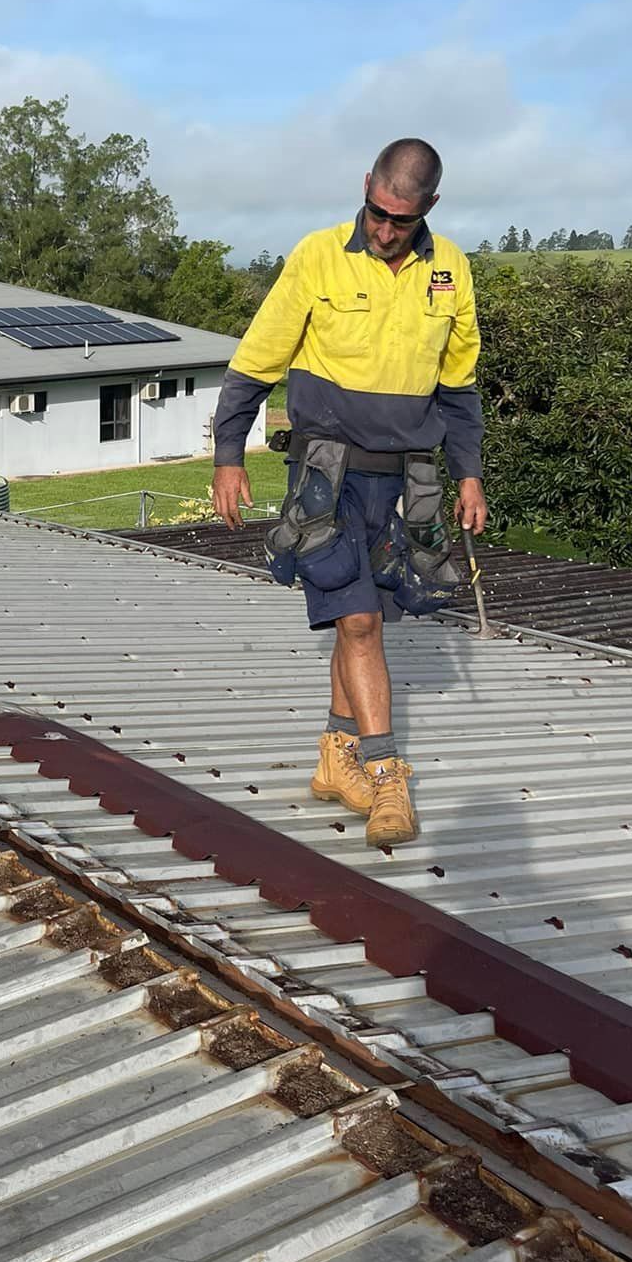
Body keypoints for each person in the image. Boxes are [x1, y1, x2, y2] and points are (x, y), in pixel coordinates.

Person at [210, 139, 486, 847]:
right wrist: (228, 455)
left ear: (428, 207)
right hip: (326, 476)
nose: (384, 229)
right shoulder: (318, 256)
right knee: (358, 621)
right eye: (376, 211)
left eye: (400, 218)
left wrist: (470, 474)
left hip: (407, 481)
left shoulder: (449, 268)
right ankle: (387, 772)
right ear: (365, 187)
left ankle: (336, 757)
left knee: (364, 618)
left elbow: (458, 386)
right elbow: (255, 360)